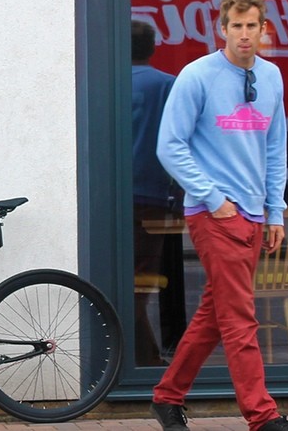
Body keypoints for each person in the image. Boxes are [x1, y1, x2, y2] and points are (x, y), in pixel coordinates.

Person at [150, 0, 288, 431]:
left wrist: (275, 212)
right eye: (236, 26)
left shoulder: (271, 76)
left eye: (252, 25)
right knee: (239, 319)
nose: (244, 34)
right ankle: (261, 415)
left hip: (254, 215)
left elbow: (275, 148)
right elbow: (170, 146)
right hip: (214, 214)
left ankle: (166, 397)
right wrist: (214, 200)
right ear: (222, 29)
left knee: (215, 315)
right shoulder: (197, 75)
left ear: (263, 28)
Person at [130, 20, 184, 366]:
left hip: (113, 194)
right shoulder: (166, 85)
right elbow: (179, 141)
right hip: (154, 196)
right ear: (152, 48)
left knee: (129, 281)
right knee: (140, 283)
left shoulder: (106, 81)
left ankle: (144, 358)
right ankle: (144, 359)